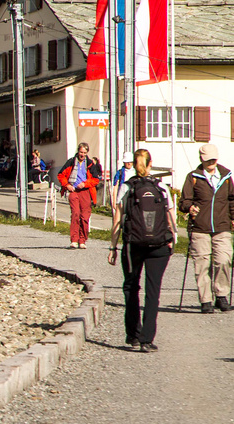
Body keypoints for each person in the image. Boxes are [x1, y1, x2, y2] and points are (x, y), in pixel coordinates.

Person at [110, 148, 177, 350]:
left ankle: (133, 335)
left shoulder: (127, 187)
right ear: (150, 164)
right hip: (159, 244)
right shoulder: (161, 187)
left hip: (133, 244)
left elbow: (117, 219)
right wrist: (172, 239)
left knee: (131, 286)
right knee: (153, 290)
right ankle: (147, 339)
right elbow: (170, 216)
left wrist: (113, 247)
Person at [178, 142, 233, 313]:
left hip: (222, 226)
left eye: (213, 160)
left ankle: (221, 295)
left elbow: (232, 199)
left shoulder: (226, 176)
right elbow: (184, 201)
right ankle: (206, 300)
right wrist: (189, 207)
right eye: (208, 160)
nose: (211, 163)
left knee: (223, 260)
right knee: (202, 264)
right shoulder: (193, 177)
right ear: (201, 160)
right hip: (199, 227)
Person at [58, 141, 103, 249]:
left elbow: (96, 179)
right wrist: (67, 185)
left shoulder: (90, 164)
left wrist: (85, 184)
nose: (82, 154)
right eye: (80, 152)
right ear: (78, 151)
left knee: (84, 217)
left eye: (84, 152)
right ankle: (74, 240)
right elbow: (60, 175)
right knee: (75, 214)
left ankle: (82, 240)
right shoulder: (71, 162)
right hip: (73, 191)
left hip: (85, 191)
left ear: (87, 153)